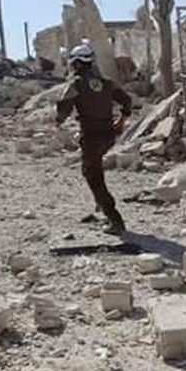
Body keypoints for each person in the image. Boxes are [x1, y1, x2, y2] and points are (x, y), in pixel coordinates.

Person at [56, 43, 133, 234]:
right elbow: (127, 101)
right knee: (93, 170)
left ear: (78, 64)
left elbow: (63, 106)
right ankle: (101, 206)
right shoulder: (107, 83)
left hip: (91, 136)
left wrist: (58, 121)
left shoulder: (76, 84)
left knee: (93, 176)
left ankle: (114, 219)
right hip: (107, 135)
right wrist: (121, 120)